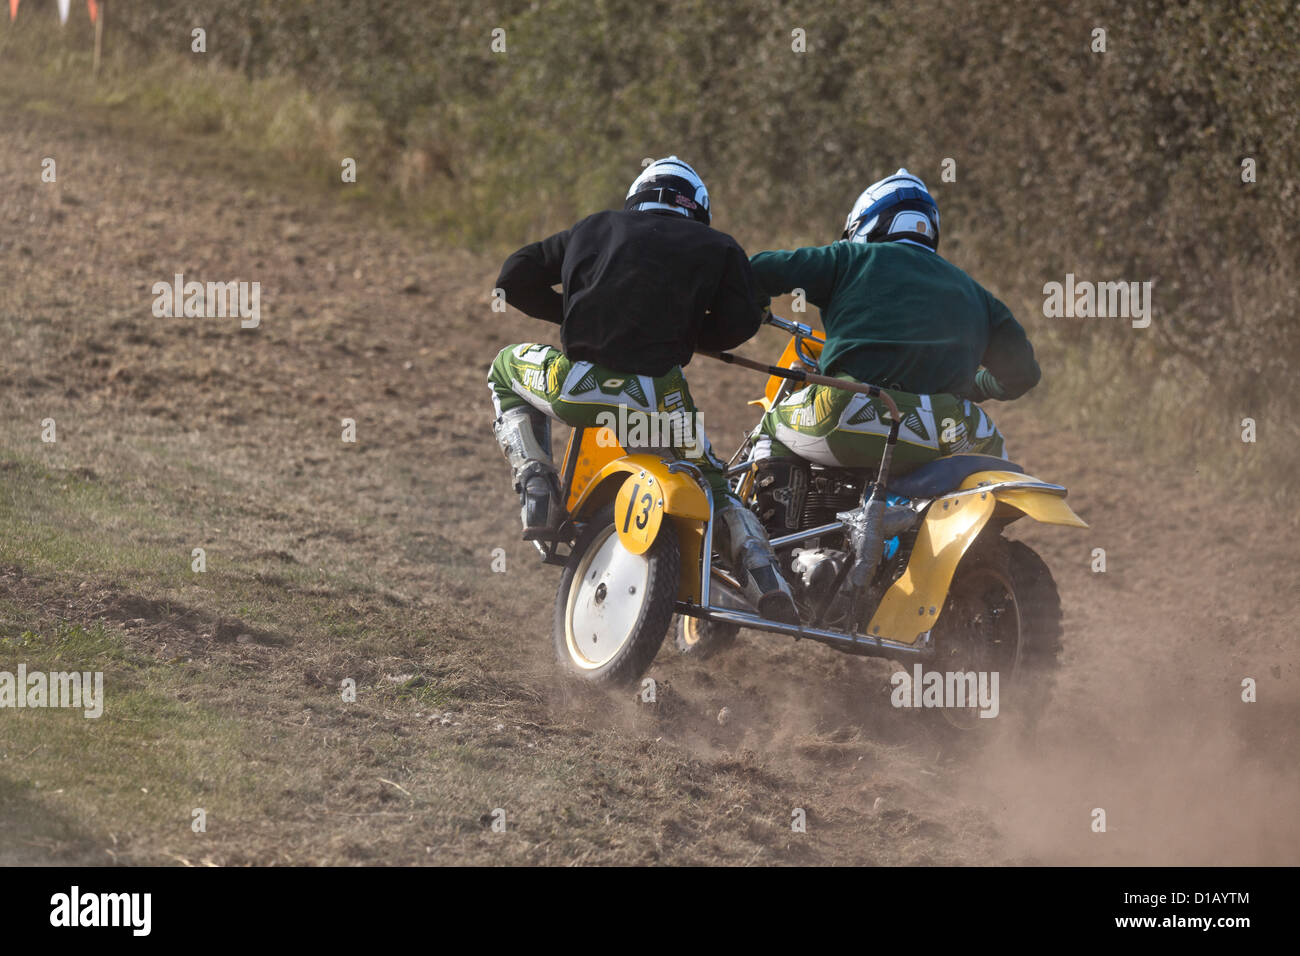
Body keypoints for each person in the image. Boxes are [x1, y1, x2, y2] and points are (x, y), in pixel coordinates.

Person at [487, 156, 799, 622]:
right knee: (715, 485)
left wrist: (576, 312)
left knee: (503, 369)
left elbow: (512, 278)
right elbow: (742, 321)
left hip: (577, 384)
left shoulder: (593, 227)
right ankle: (763, 577)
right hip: (657, 397)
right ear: (697, 209)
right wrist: (686, 332)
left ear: (636, 198)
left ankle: (537, 484)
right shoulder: (719, 246)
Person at [747, 168, 1041, 523]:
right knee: (992, 449)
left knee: (772, 424)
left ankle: (768, 551)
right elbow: (1023, 373)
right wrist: (972, 386)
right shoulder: (976, 293)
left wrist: (753, 309)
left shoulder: (848, 259)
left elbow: (761, 269)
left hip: (849, 411)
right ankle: (957, 542)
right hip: (944, 430)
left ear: (865, 225)